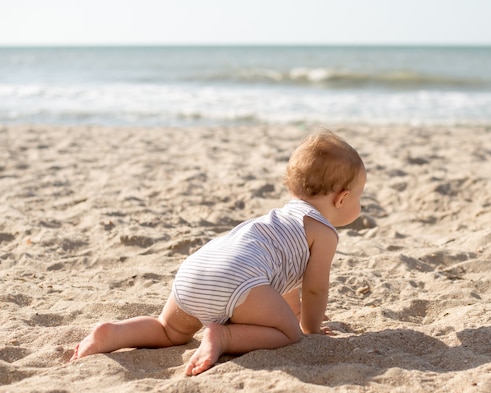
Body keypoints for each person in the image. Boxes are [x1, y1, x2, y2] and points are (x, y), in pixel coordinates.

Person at [71, 128, 367, 376]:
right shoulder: (323, 232)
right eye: (360, 196)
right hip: (237, 280)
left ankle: (113, 333)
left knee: (170, 332)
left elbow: (283, 281)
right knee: (289, 333)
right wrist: (310, 327)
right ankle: (222, 336)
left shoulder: (280, 221)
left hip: (197, 269)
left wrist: (288, 308)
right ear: (342, 199)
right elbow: (315, 289)